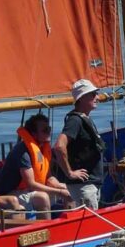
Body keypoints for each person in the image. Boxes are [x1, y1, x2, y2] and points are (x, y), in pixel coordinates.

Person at [0, 113, 70, 218]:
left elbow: (49, 177)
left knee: (70, 191)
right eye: (45, 130)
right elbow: (31, 184)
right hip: (11, 193)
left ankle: (70, 224)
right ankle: (46, 230)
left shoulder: (43, 149)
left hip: (29, 190)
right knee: (42, 197)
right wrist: (59, 192)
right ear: (34, 134)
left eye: (49, 129)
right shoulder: (23, 151)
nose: (49, 133)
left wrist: (61, 187)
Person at [53, 79, 105, 209]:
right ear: (81, 98)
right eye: (92, 94)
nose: (97, 97)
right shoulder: (75, 121)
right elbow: (59, 146)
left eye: (96, 94)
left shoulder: (84, 118)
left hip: (90, 184)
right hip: (83, 187)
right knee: (92, 225)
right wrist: (70, 173)